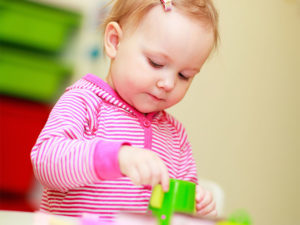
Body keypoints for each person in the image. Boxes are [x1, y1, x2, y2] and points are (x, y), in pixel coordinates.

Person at [31, 0, 219, 221]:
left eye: (184, 76)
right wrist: (116, 157)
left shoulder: (175, 137)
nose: (168, 83)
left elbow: (176, 211)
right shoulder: (85, 101)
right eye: (156, 63)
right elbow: (46, 163)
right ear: (115, 41)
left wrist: (197, 207)